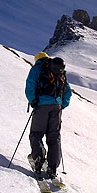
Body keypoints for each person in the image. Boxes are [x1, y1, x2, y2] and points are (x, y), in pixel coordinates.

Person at [25, 51, 72, 184]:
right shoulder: (59, 71)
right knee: (54, 136)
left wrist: (33, 101)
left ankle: (39, 159)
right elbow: (67, 90)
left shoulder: (37, 68)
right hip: (56, 107)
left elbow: (30, 85)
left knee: (36, 133)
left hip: (42, 106)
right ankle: (52, 167)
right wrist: (62, 104)